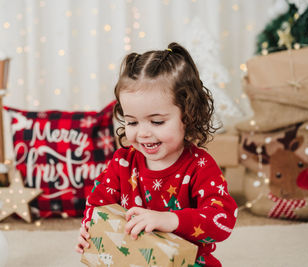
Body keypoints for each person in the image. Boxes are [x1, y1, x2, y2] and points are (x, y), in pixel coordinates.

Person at [76, 42, 238, 267]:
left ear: (188, 115)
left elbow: (223, 221)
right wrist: (89, 228)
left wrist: (171, 220)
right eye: (132, 122)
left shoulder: (200, 165)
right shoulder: (123, 162)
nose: (143, 133)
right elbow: (98, 203)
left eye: (157, 121)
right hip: (132, 259)